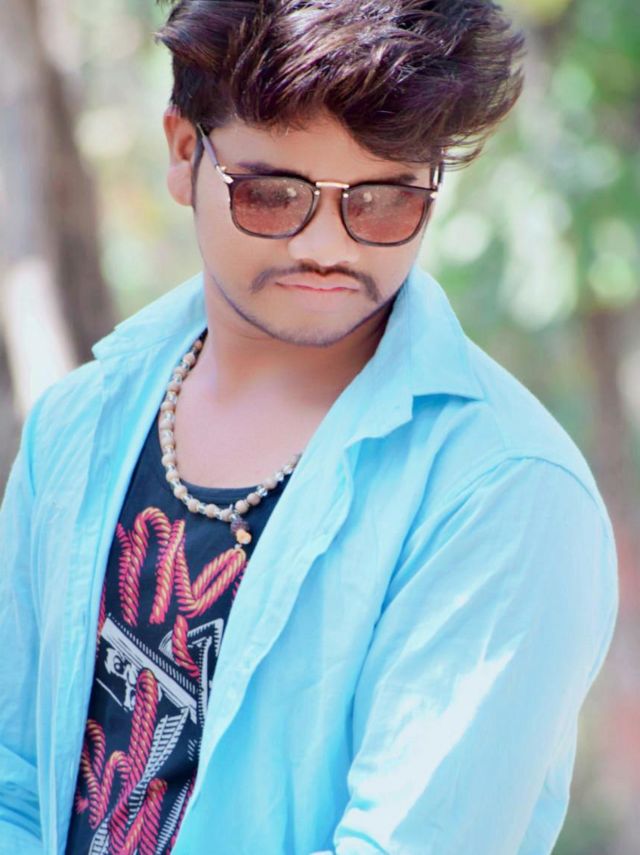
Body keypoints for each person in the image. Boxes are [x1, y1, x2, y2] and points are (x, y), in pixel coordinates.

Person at [0, 1, 619, 853]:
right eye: (273, 194)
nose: (328, 246)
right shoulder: (77, 424)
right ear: (184, 153)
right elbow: (16, 780)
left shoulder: (505, 493)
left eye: (383, 201)